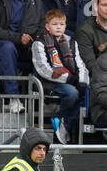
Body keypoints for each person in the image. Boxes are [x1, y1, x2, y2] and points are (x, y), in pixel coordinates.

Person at [0, 0, 45, 113]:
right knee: (7, 47)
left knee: (41, 48)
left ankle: (40, 101)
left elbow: (42, 27)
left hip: (26, 48)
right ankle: (13, 98)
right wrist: (17, 37)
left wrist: (36, 41)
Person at [32, 9, 89, 144]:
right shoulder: (39, 43)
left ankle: (62, 121)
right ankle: (63, 122)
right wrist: (68, 79)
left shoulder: (71, 42)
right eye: (55, 24)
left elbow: (80, 64)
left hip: (71, 79)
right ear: (47, 26)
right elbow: (43, 69)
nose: (58, 27)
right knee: (72, 93)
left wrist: (82, 81)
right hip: (49, 83)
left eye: (62, 24)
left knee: (88, 93)